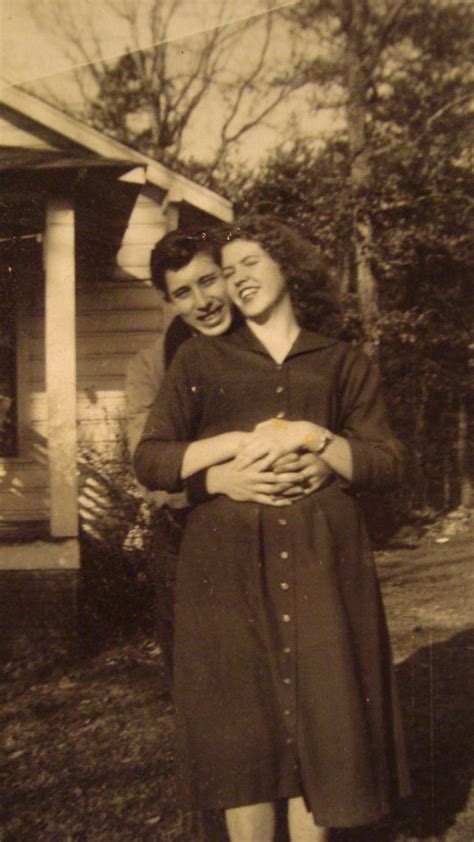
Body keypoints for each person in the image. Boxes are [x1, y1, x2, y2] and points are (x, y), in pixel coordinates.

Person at [134, 216, 410, 842]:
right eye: (228, 272)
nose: (235, 280)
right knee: (245, 738)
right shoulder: (200, 360)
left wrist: (317, 439)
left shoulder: (341, 361)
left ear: (288, 267)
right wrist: (226, 452)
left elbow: (385, 462)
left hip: (320, 561)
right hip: (226, 570)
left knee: (321, 722)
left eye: (248, 265)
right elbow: (150, 458)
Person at [126, 229, 332, 674]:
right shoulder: (150, 367)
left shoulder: (275, 341)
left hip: (274, 522)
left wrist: (321, 462)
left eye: (209, 281)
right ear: (169, 301)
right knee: (203, 673)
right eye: (182, 292)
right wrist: (216, 480)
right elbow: (151, 468)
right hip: (185, 533)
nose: (202, 303)